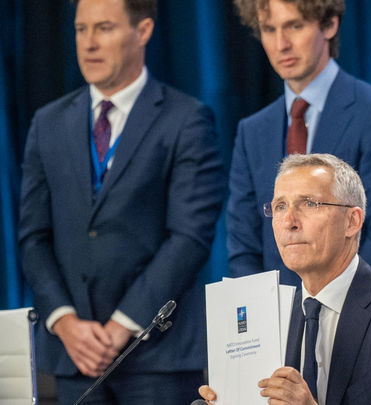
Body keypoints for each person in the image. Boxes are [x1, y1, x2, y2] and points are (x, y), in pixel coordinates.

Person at [18, 0, 225, 403]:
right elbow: (32, 237)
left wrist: (122, 326)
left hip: (158, 357)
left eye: (105, 28)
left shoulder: (186, 119)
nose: (89, 43)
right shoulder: (48, 123)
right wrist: (64, 321)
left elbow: (190, 238)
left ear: (143, 31)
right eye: (81, 29)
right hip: (74, 358)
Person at [199, 153, 371, 404]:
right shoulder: (274, 317)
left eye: (309, 204)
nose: (289, 222)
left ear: (352, 221)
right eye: (280, 206)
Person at [227, 0, 371, 286]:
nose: (281, 44)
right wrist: (262, 310)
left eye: (295, 26)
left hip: (356, 307)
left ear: (329, 25)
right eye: (269, 29)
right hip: (274, 311)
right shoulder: (252, 131)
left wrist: (330, 307)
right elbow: (243, 246)